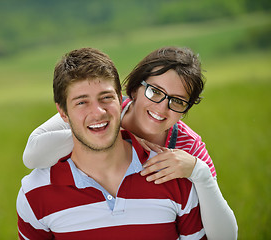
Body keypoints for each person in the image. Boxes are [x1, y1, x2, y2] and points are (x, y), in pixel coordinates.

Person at [22, 46, 238, 239]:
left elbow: (226, 236)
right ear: (134, 89)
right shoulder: (107, 104)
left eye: (178, 101)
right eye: (155, 92)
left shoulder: (187, 147)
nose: (162, 108)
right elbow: (32, 155)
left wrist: (200, 172)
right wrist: (106, 132)